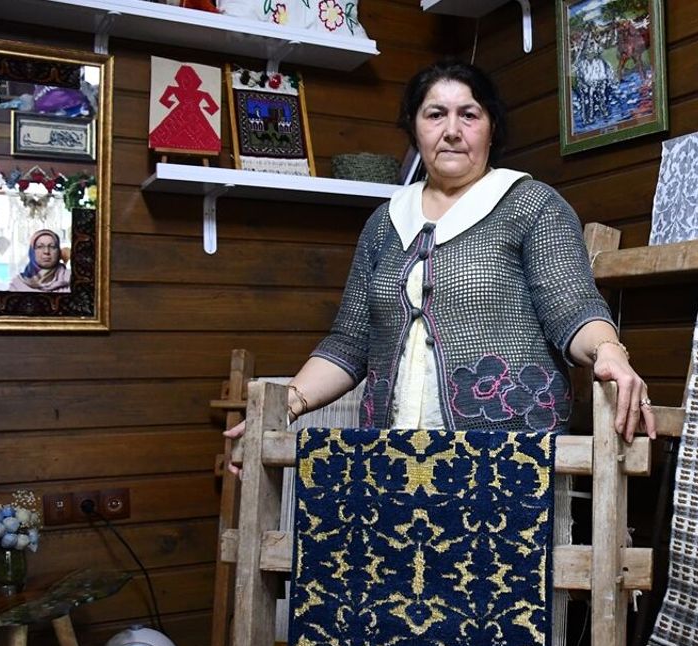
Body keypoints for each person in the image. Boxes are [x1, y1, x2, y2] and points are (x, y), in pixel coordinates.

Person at [226, 60, 654, 456]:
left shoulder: (530, 204)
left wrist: (608, 352)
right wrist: (287, 405)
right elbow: (349, 342)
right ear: (414, 129)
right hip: (389, 451)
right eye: (435, 114)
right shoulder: (385, 222)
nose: (452, 130)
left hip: (507, 455)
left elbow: (573, 309)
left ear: (491, 128)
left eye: (469, 115)